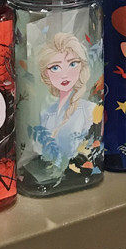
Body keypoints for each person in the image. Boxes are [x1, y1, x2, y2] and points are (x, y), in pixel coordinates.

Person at [34, 33, 97, 165]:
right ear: (46, 73)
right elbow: (40, 153)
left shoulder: (90, 110)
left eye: (72, 64)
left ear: (81, 66)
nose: (65, 74)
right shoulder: (46, 113)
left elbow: (91, 153)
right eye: (55, 67)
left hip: (79, 170)